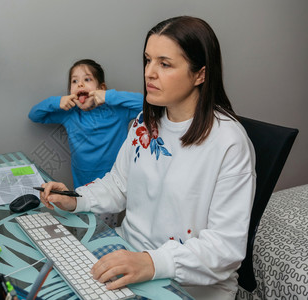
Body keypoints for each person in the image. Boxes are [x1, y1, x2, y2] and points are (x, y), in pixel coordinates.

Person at [38, 16, 255, 300]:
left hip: (188, 285)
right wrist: (75, 198)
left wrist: (152, 263)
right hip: (128, 253)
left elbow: (224, 249)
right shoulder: (146, 122)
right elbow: (118, 184)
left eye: (164, 64)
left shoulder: (229, 142)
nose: (149, 73)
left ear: (200, 74)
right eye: (147, 60)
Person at [28, 59, 143, 189]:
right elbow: (34, 115)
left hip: (116, 180)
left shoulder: (118, 110)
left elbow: (146, 104)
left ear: (101, 88)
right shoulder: (69, 113)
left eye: (87, 79)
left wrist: (108, 96)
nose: (80, 84)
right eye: (74, 81)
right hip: (83, 184)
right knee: (85, 207)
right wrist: (57, 101)